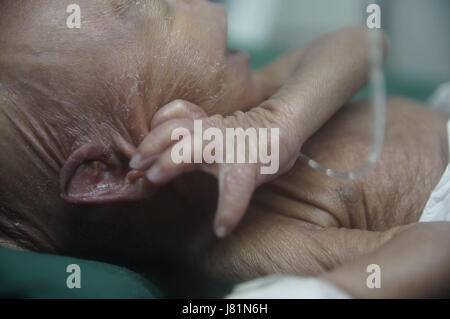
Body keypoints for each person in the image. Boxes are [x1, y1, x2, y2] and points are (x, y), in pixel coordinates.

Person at [0, 0, 448, 298]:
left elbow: (365, 42)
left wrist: (277, 121)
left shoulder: (248, 106)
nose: (202, 4)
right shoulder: (241, 247)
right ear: (109, 172)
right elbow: (436, 247)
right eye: (157, 11)